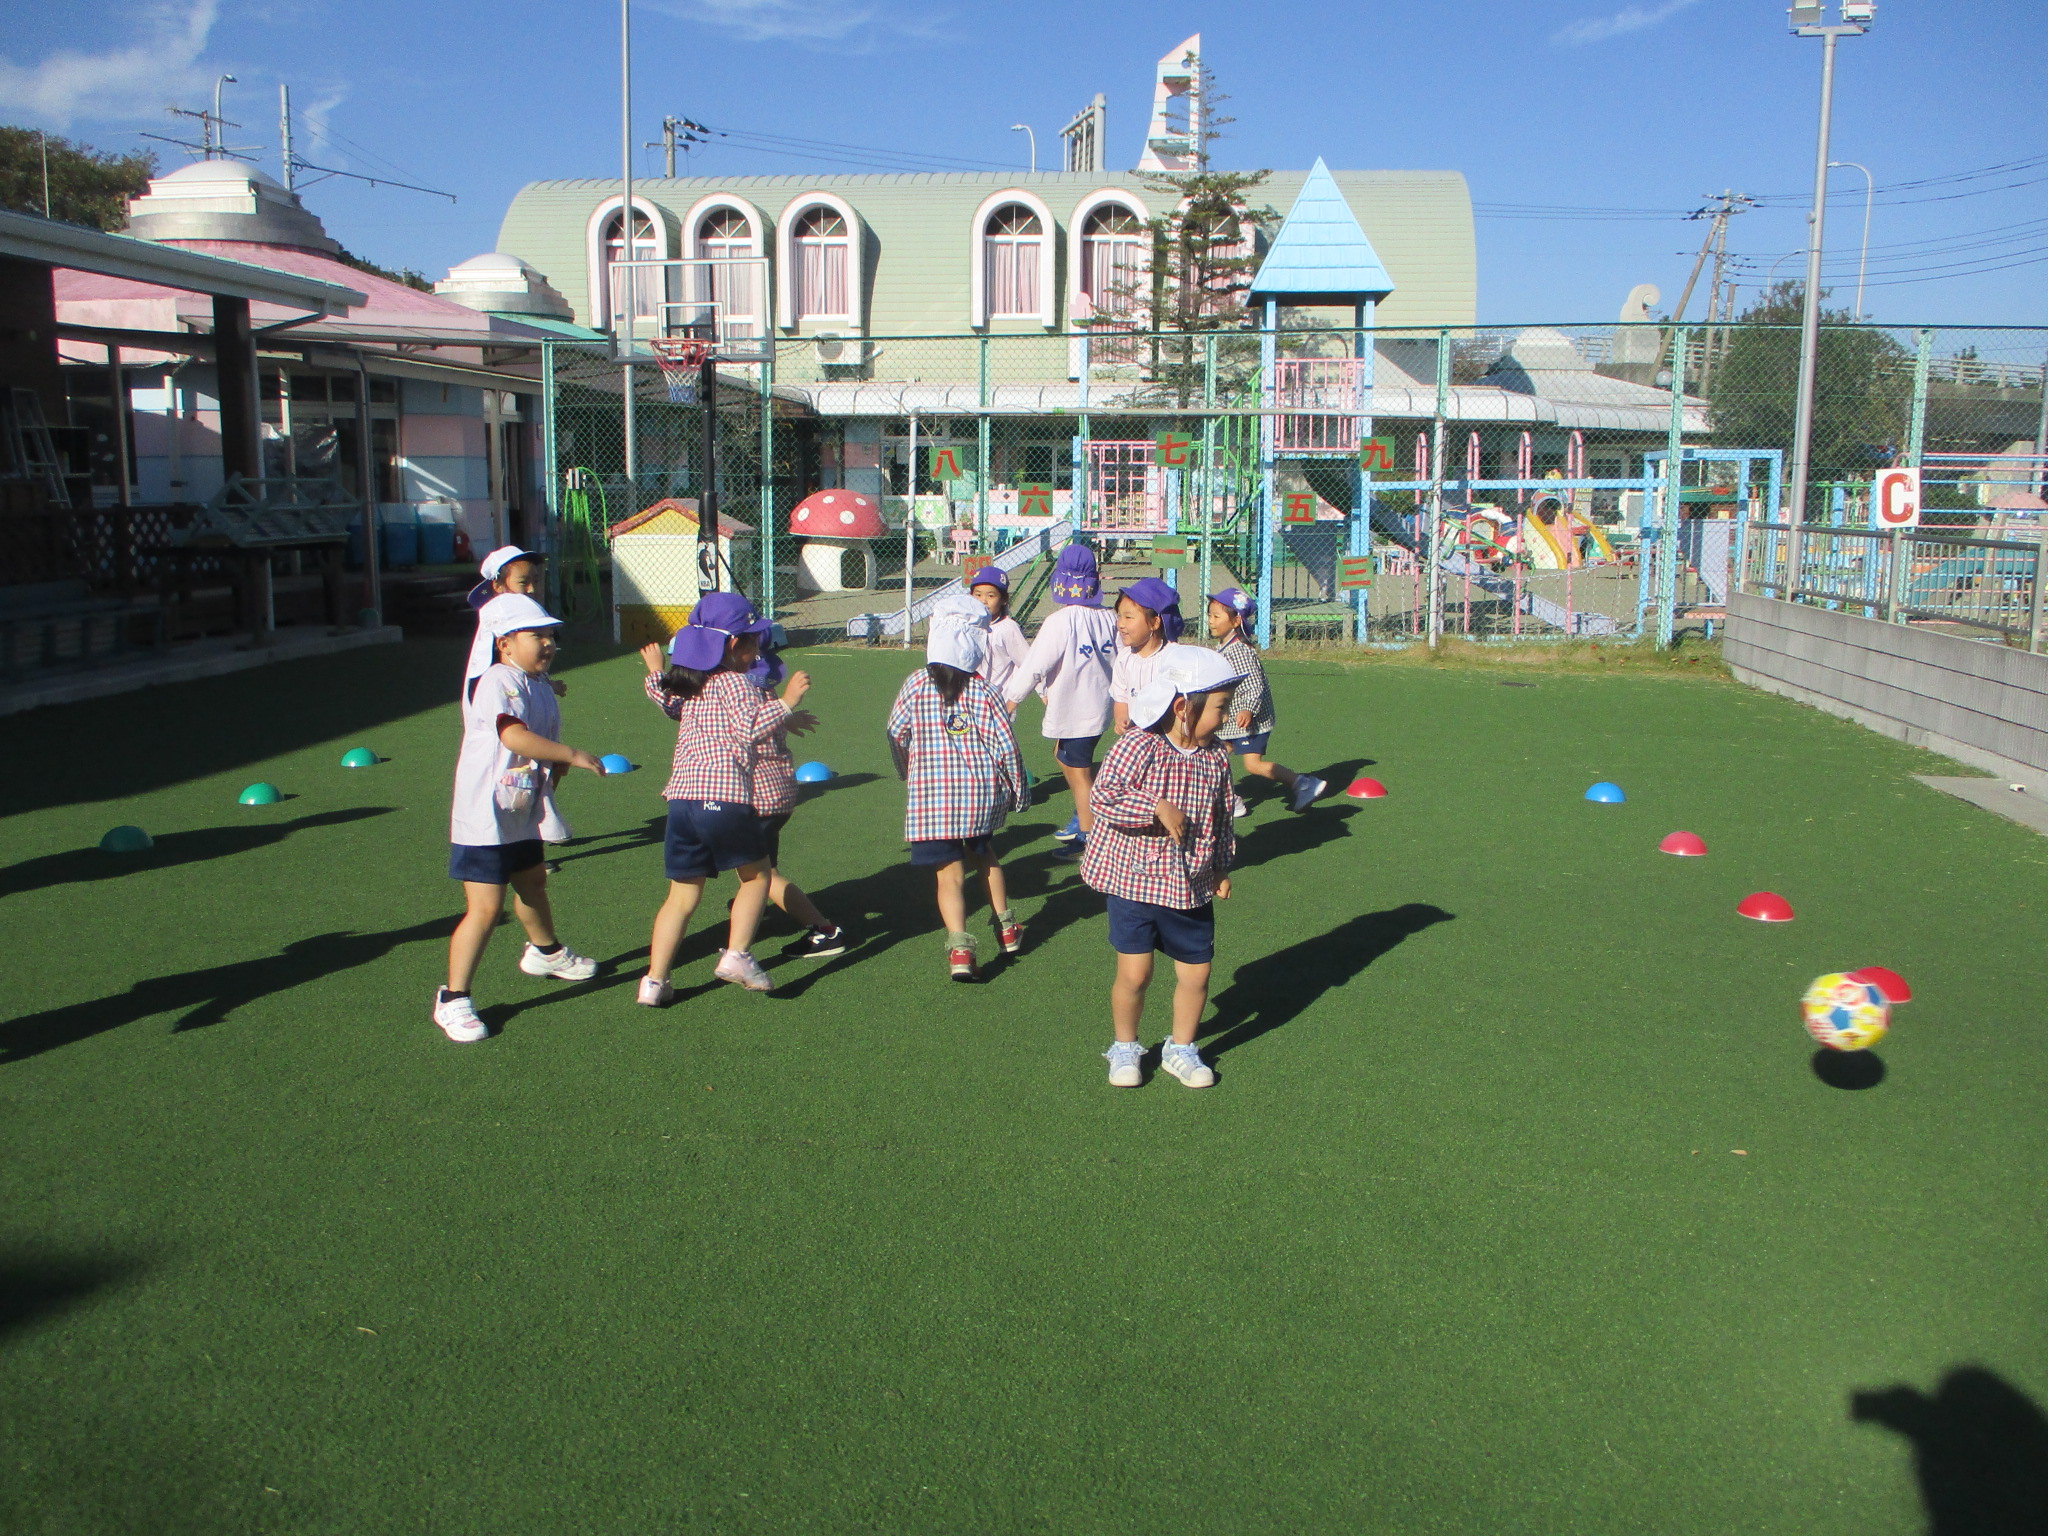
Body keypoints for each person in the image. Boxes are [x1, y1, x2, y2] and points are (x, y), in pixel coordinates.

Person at [437, 594, 607, 1043]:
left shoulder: (537, 681)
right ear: (505, 643)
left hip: (518, 807)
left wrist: (555, 769)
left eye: (551, 635)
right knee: (486, 908)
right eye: (536, 635)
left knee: (532, 882)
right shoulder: (498, 680)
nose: (548, 643)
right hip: (484, 815)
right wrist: (570, 754)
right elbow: (513, 736)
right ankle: (453, 998)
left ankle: (545, 951)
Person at [1080, 644, 1244, 1089]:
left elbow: (1222, 816)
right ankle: (1125, 1046)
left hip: (1190, 885)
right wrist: (1155, 805)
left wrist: (1221, 867)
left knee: (1197, 972)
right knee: (1135, 974)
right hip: (1134, 882)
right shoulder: (1140, 743)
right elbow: (1104, 796)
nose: (1225, 717)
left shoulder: (1216, 756)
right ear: (1182, 706)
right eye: (1220, 707)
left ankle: (1182, 1048)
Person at [637, 592, 799, 1002]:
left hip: (682, 803)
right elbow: (750, 728)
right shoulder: (735, 683)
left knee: (681, 896)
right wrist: (788, 702)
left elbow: (664, 699)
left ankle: (655, 980)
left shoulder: (692, 686)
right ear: (734, 644)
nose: (757, 651)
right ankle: (737, 954)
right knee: (757, 876)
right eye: (754, 641)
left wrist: (655, 671)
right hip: (724, 798)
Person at [888, 593, 1032, 980]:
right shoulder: (984, 690)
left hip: (932, 798)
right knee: (985, 856)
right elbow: (1006, 746)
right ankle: (1006, 926)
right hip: (978, 795)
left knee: (949, 875)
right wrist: (1020, 791)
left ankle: (960, 949)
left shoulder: (916, 684)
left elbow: (896, 732)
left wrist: (909, 770)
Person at [739, 624, 848, 958]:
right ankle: (751, 907)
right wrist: (787, 717)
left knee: (761, 874)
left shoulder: (745, 694)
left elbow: (745, 729)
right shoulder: (763, 693)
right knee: (756, 872)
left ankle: (824, 930)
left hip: (758, 798)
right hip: (775, 795)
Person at [1004, 544, 1116, 860]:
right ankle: (1087, 811)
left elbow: (1034, 664)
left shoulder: (1060, 620)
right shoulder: (1108, 617)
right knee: (1063, 756)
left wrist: (1011, 702)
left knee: (1078, 774)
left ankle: (1091, 840)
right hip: (1099, 706)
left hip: (1076, 708)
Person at [1207, 587, 1326, 815]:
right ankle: (1228, 798)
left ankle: (1302, 783)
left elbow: (1254, 685)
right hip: (1232, 721)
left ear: (1235, 621)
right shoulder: (1225, 646)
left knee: (1253, 765)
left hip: (1249, 721)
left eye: (1216, 616)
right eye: (1210, 615)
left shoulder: (1240, 651)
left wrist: (1248, 710)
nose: (1211, 621)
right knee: (1216, 755)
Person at [1109, 576, 1184, 736]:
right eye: (1119, 616)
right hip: (1136, 735)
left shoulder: (1173, 657)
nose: (1121, 624)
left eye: (1128, 617)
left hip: (1167, 736)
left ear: (1155, 623)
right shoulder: (1124, 658)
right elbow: (1121, 697)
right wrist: (1121, 718)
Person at [967, 566, 1029, 703]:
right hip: (970, 701)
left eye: (991, 596)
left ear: (1003, 599)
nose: (983, 600)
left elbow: (1027, 664)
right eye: (978, 595)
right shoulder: (965, 625)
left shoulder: (1008, 628)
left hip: (999, 702)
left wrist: (1044, 693)